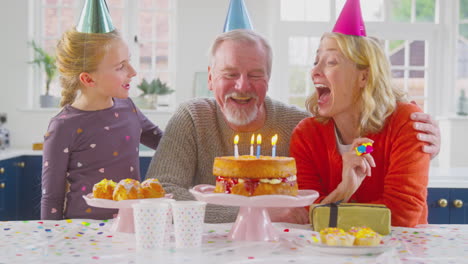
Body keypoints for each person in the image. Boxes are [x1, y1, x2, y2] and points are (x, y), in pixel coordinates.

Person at [146, 29, 440, 223]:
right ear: (210, 77)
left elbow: (400, 215)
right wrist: (255, 214)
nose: (242, 85)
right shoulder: (308, 132)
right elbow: (159, 193)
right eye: (230, 73)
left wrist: (421, 147)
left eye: (255, 74)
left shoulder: (297, 125)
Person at [289, 31, 430, 227]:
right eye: (316, 61)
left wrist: (327, 212)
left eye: (330, 62)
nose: (315, 72)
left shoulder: (407, 123)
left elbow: (401, 216)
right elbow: (308, 217)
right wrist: (344, 190)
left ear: (364, 77)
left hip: (396, 253)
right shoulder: (306, 135)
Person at [41, 28, 163, 220]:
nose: (133, 72)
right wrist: (50, 238)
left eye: (128, 62)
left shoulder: (128, 107)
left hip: (131, 225)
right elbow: (52, 199)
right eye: (120, 66)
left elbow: (165, 142)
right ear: (88, 79)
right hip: (82, 233)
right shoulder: (63, 127)